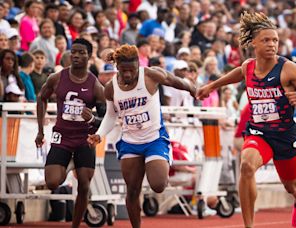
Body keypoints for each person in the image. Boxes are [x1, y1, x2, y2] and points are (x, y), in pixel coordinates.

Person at [197, 11, 296, 228]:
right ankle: (248, 225)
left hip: (285, 136)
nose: (272, 44)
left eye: (275, 40)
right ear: (253, 43)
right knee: (246, 166)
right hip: (259, 132)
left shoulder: (288, 69)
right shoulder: (249, 67)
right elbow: (238, 73)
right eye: (266, 40)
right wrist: (211, 86)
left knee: (291, 186)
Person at [87, 44, 196, 227]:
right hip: (130, 141)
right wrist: (99, 135)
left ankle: (158, 162)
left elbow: (173, 80)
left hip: (154, 139)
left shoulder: (150, 75)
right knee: (132, 190)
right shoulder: (111, 88)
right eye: (123, 70)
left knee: (158, 185)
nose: (128, 74)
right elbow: (111, 116)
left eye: (131, 70)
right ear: (117, 68)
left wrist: (191, 87)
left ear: (138, 64)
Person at [35, 38, 105, 228]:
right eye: (73, 51)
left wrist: (92, 119)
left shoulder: (95, 85)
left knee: (84, 185)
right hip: (62, 137)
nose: (75, 55)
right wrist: (40, 131)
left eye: (81, 52)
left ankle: (75, 225)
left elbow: (106, 119)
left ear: (89, 56)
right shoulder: (57, 78)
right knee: (52, 182)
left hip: (85, 139)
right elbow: (41, 98)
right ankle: (67, 164)